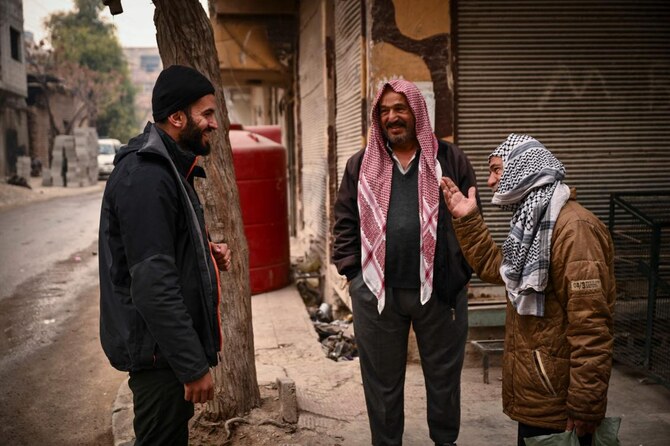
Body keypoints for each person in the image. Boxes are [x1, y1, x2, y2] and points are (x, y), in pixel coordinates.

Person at [441, 133, 616, 446]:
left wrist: (586, 402)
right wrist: (468, 220)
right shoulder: (534, 221)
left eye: (496, 170)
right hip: (540, 394)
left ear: (523, 168)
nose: (490, 182)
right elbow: (499, 268)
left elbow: (591, 326)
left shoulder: (575, 230)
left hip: (561, 401)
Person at [333, 79, 479, 446]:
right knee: (381, 384)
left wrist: (460, 273)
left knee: (444, 378)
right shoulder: (360, 164)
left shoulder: (450, 160)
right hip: (376, 293)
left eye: (400, 108)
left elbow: (471, 219)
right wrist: (355, 276)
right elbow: (344, 222)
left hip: (441, 292)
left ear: (416, 111)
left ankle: (445, 440)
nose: (392, 117)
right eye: (384, 111)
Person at [98, 65, 232, 445]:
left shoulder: (168, 168)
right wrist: (192, 367)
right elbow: (153, 284)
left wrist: (202, 253)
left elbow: (159, 247)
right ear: (177, 117)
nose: (214, 124)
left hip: (165, 351)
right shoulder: (146, 177)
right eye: (206, 114)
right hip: (159, 357)